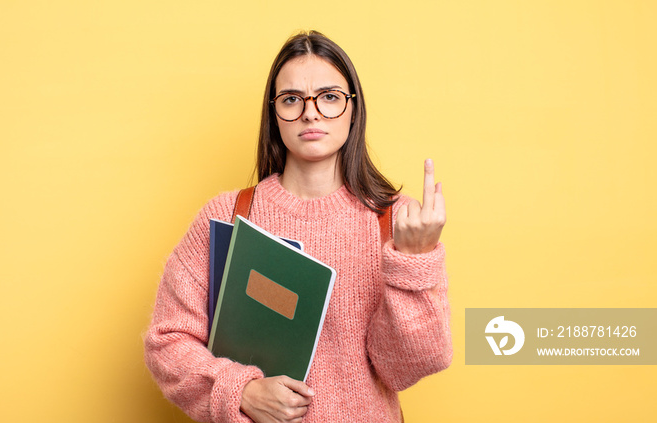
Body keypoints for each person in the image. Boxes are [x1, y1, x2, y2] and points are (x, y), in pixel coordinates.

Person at [144, 30, 452, 423]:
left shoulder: (400, 222)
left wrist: (412, 262)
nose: (310, 112)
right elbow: (167, 342)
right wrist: (241, 390)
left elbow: (407, 367)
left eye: (329, 97)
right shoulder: (226, 215)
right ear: (274, 113)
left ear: (353, 108)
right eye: (291, 99)